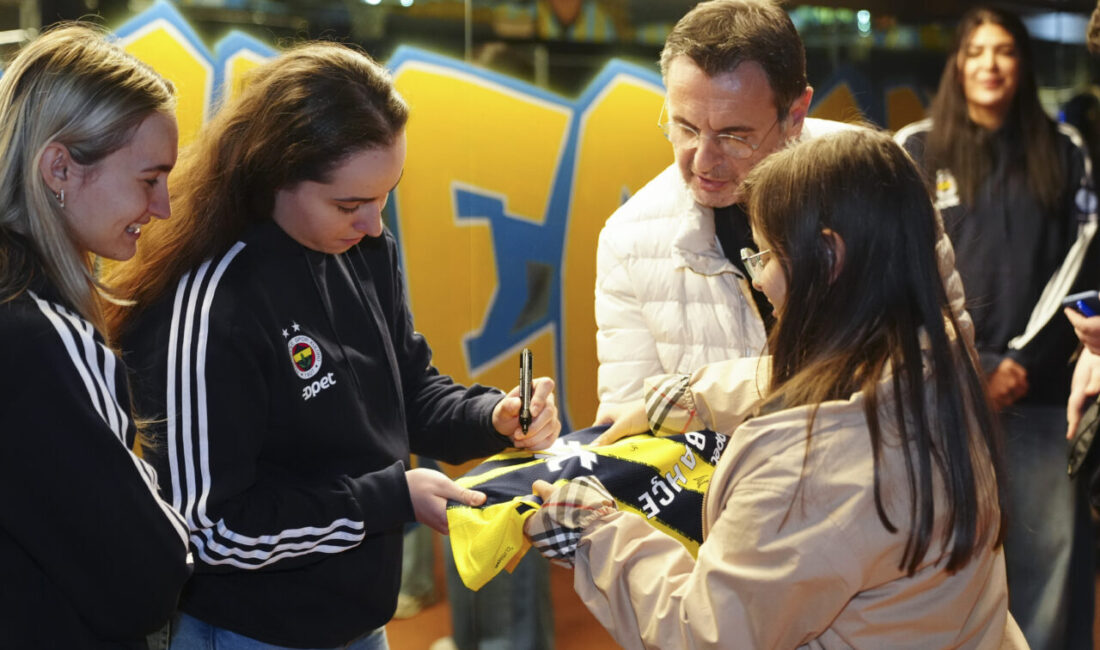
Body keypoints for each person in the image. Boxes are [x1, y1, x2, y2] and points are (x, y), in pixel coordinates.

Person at [104, 42, 560, 649]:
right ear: (277, 175)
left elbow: (408, 388)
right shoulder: (214, 301)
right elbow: (208, 528)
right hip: (250, 633)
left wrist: (492, 417)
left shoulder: (364, 249)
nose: (375, 223)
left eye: (386, 195)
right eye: (350, 204)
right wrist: (386, 499)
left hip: (363, 620)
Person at [525, 128, 1025, 649]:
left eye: (765, 256)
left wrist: (595, 534)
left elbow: (707, 632)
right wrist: (695, 395)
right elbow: (837, 376)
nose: (759, 279)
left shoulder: (813, 468)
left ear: (828, 257)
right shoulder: (936, 354)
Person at [593, 0, 969, 419]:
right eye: (684, 127)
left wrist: (708, 395)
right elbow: (626, 426)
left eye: (733, 136)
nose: (701, 161)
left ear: (796, 113)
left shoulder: (880, 183)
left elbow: (944, 364)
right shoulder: (628, 237)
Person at [895, 7, 1097, 649]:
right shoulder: (916, 147)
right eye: (976, 50)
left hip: (1038, 401)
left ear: (1023, 63)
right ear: (958, 63)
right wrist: (971, 364)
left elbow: (1082, 263)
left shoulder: (1062, 152)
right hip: (943, 401)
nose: (989, 63)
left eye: (1004, 50)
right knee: (943, 569)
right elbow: (902, 272)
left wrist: (1020, 364)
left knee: (1049, 571)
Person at [0, 23, 192, 646]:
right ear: (59, 166)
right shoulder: (39, 332)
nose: (162, 206)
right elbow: (146, 572)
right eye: (148, 178)